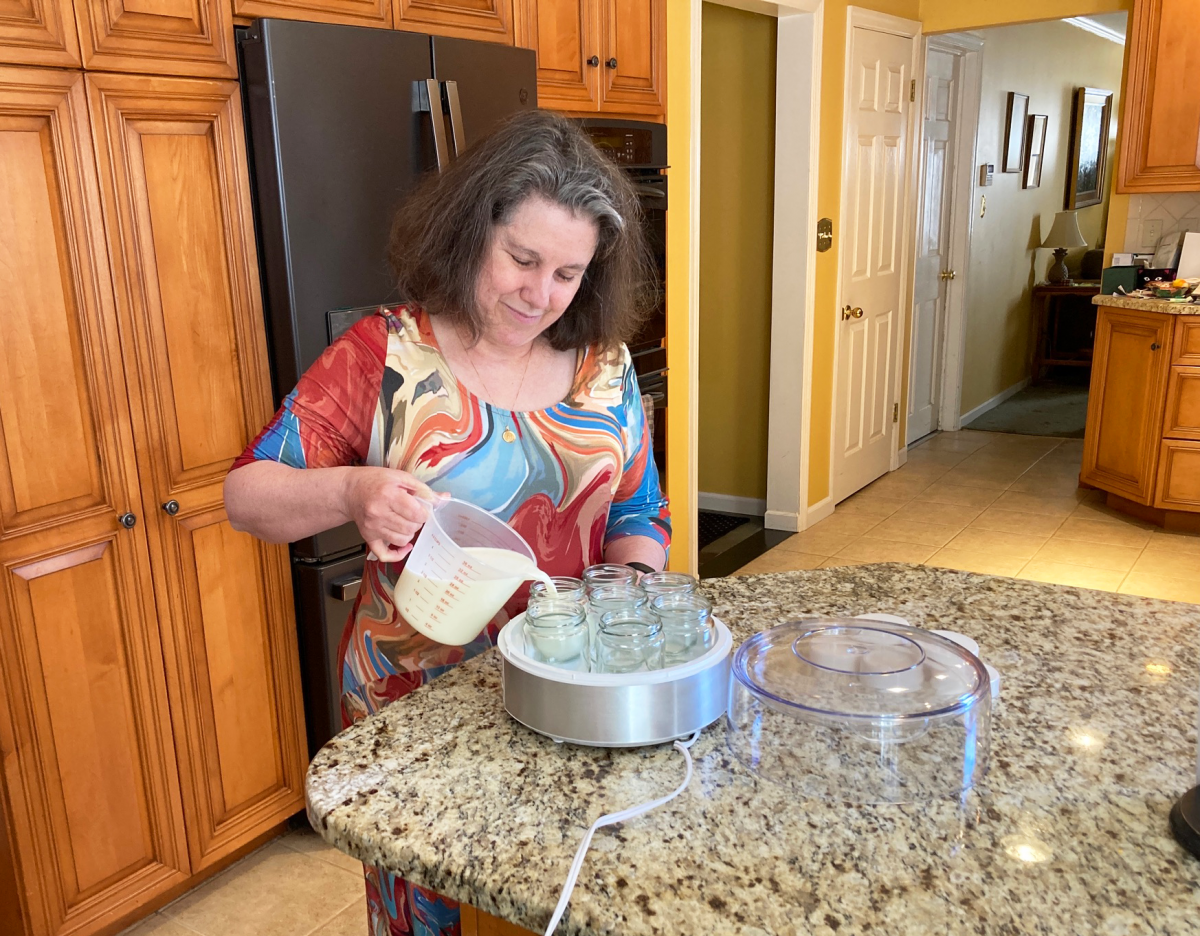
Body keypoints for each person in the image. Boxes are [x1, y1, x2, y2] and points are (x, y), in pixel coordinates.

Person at [224, 109, 670, 936]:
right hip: (412, 708)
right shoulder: (384, 357)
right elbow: (247, 494)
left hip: (566, 697)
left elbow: (640, 511)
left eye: (569, 273)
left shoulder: (606, 371)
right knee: (426, 915)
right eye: (523, 259)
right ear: (472, 233)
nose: (541, 296)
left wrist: (630, 596)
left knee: (557, 903)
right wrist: (352, 492)